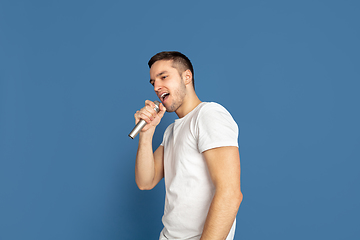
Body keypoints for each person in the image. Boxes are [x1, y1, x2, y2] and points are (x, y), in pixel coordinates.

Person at [134, 51, 242, 240]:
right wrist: (146, 134)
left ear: (187, 77)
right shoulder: (171, 132)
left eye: (163, 77)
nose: (157, 87)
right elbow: (145, 182)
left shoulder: (208, 115)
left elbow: (230, 194)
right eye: (153, 82)